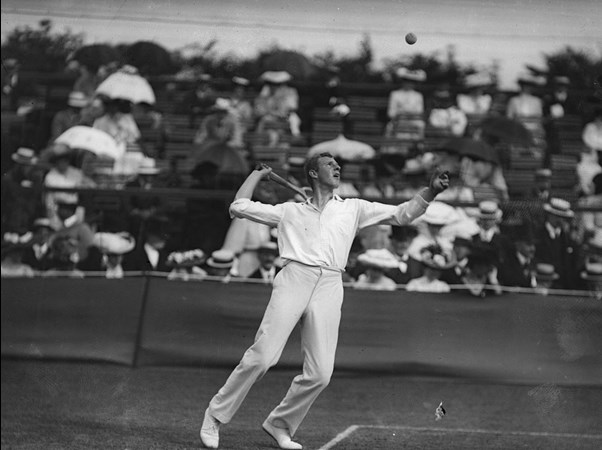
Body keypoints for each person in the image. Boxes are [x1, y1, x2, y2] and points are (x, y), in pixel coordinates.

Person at [199, 152, 449, 449]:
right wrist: (256, 175)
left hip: (331, 284)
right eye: (330, 165)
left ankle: (280, 423)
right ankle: (214, 416)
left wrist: (430, 191)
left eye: (338, 165)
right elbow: (238, 206)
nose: (338, 167)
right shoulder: (289, 211)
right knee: (263, 357)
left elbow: (402, 214)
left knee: (320, 374)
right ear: (314, 174)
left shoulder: (354, 208)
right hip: (294, 278)